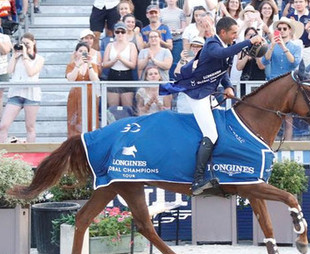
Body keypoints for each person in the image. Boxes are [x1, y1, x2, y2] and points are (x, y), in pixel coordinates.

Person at [160, 16, 263, 195]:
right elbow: (223, 55)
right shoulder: (211, 44)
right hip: (198, 94)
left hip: (209, 93)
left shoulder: (222, 45)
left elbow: (221, 72)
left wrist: (229, 86)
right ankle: (198, 180)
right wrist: (248, 41)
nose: (235, 36)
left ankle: (216, 169)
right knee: (211, 133)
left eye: (236, 34)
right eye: (233, 33)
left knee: (221, 125)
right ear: (222, 33)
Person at [0, 33, 44, 143]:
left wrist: (26, 56)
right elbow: (9, 71)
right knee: (3, 125)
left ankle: (31, 154)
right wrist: (14, 55)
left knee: (30, 127)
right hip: (16, 93)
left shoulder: (39, 58)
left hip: (31, 95)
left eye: (27, 44)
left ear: (34, 42)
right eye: (23, 44)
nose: (25, 46)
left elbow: (31, 72)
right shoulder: (18, 57)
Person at [66, 42, 100, 137]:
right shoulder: (71, 65)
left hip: (90, 95)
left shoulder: (92, 65)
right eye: (80, 51)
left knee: (90, 117)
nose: (82, 53)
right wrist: (78, 65)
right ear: (76, 53)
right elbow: (70, 79)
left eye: (85, 51)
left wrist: (89, 64)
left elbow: (95, 79)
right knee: (75, 120)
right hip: (75, 95)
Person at [101, 21, 138, 108]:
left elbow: (133, 65)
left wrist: (121, 59)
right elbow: (105, 64)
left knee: (127, 106)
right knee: (113, 107)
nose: (120, 34)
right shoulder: (110, 45)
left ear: (126, 33)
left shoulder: (131, 45)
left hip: (127, 75)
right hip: (113, 74)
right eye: (117, 32)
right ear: (114, 33)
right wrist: (114, 61)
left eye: (122, 32)